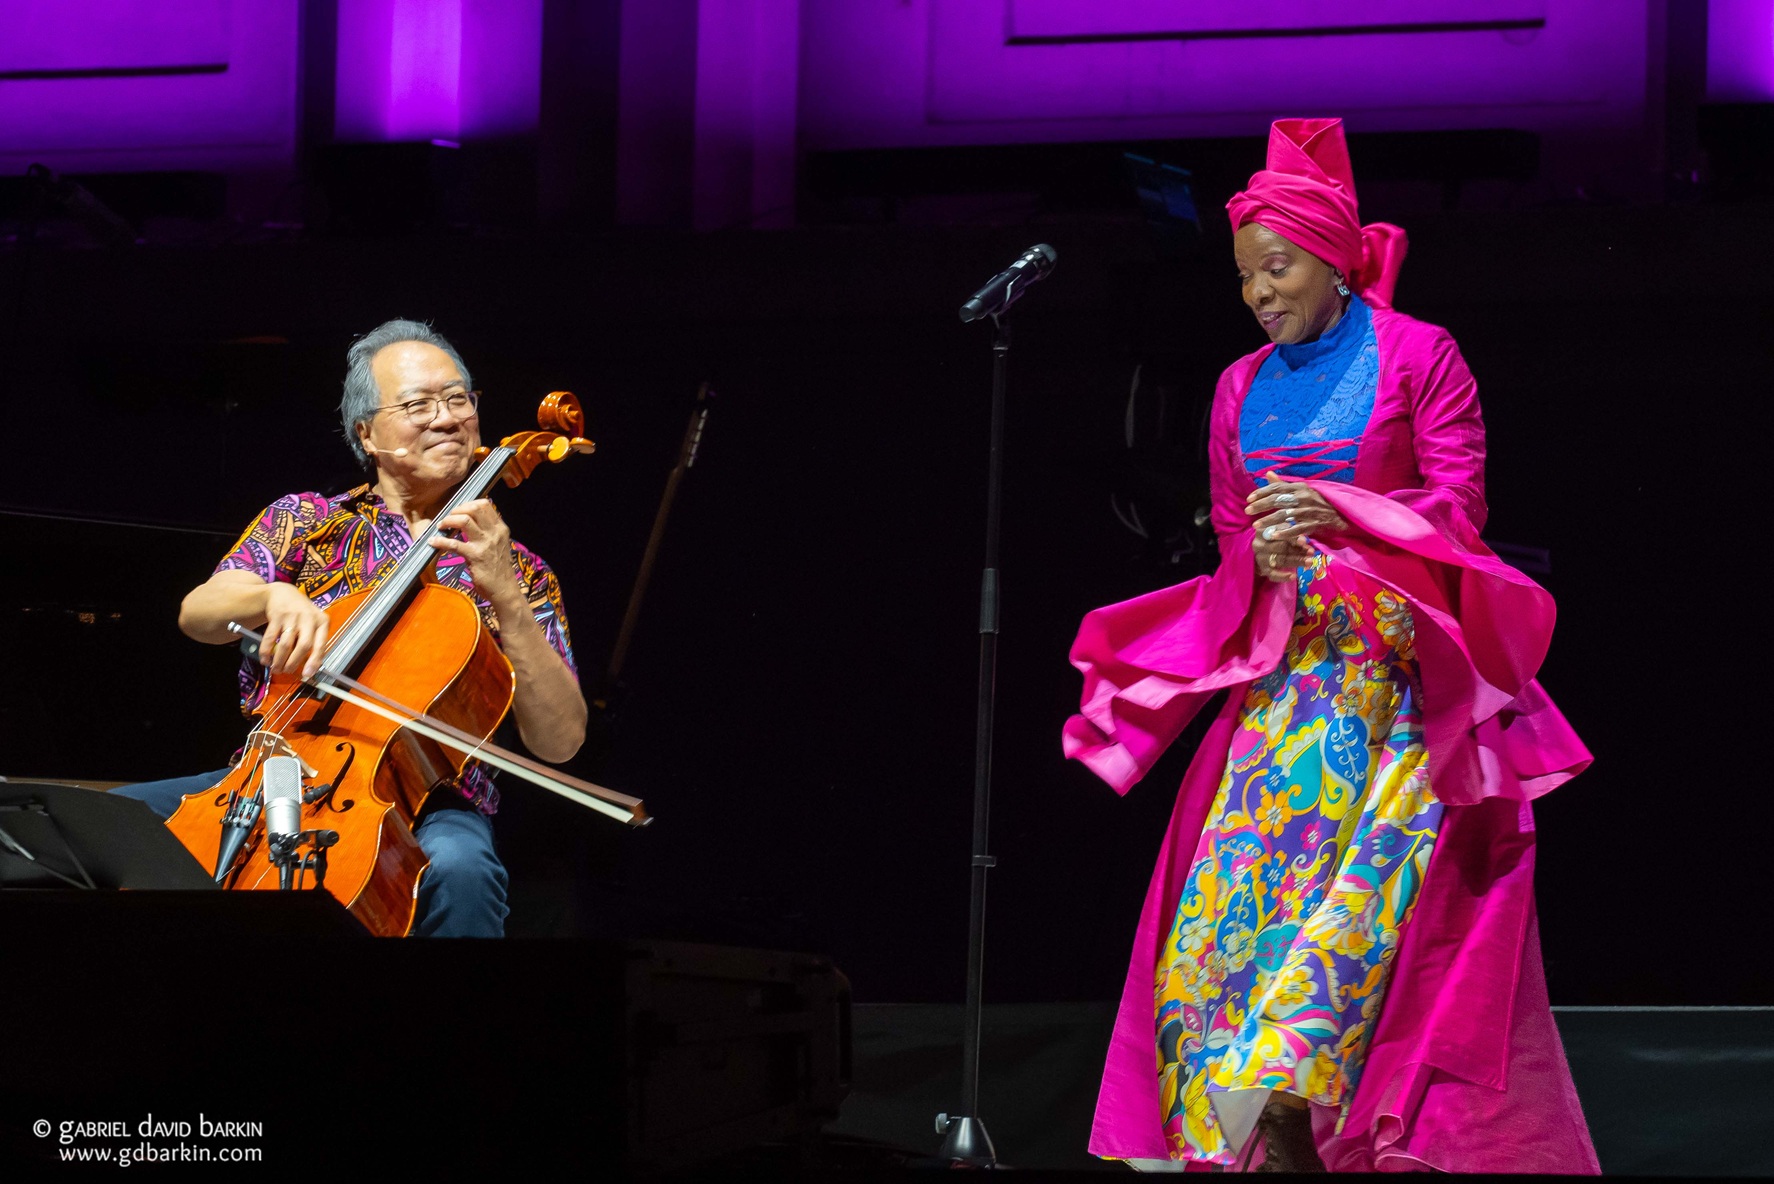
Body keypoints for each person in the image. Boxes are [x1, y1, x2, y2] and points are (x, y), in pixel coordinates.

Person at [1062, 119, 1599, 1173]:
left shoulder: (1418, 353)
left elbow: (1461, 507)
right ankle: (1253, 1141)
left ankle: (1310, 1120)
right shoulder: (1233, 386)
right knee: (1213, 931)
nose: (1260, 292)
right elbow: (1228, 538)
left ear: (1332, 256)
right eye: (1245, 277)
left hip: (1398, 690)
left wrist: (1342, 513)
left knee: (1355, 924)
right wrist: (1258, 556)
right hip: (1281, 692)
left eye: (1277, 268)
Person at [114, 319, 586, 938]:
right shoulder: (307, 520)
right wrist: (272, 594)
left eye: (458, 399)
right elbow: (200, 613)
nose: (448, 418)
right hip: (270, 774)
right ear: (367, 432)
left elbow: (560, 741)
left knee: (460, 870)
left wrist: (507, 597)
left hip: (430, 803)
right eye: (418, 405)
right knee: (76, 826)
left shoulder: (517, 568)